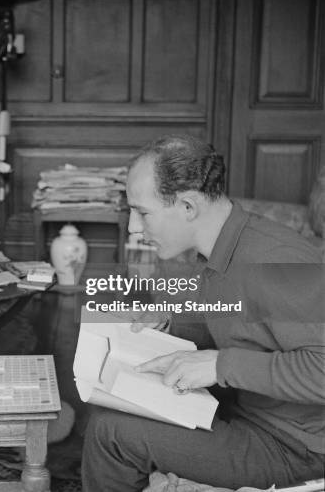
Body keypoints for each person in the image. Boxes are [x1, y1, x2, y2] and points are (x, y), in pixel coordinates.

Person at [82, 134, 324, 492]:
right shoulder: (222, 247)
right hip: (247, 410)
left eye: (143, 213)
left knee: (111, 432)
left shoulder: (277, 260)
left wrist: (218, 365)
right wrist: (172, 322)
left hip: (294, 446)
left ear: (188, 207)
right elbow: (242, 323)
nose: (134, 227)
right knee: (115, 403)